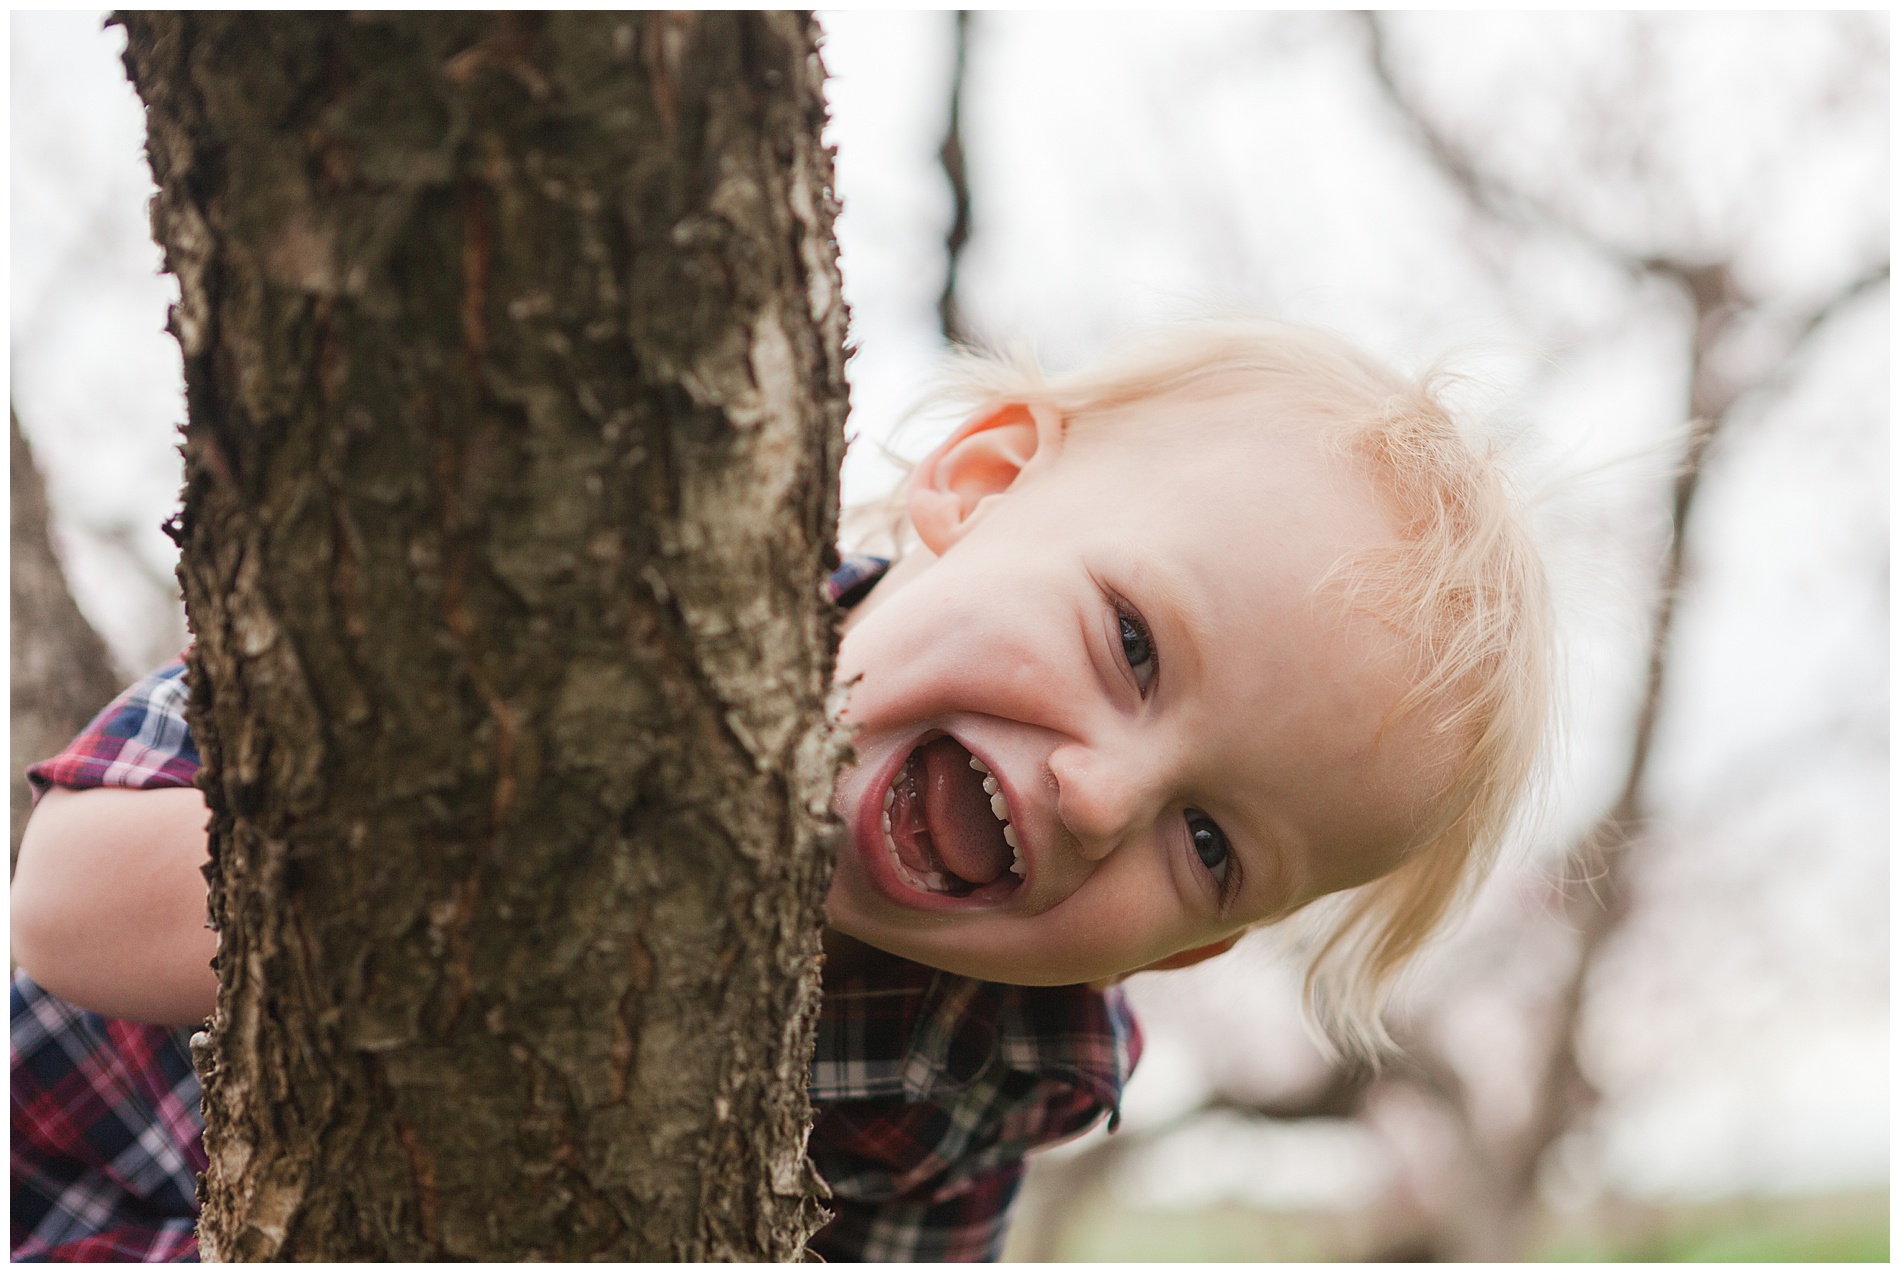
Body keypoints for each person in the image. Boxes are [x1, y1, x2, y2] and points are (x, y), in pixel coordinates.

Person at [11, 320, 1551, 1261]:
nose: (1101, 793)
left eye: (1209, 842)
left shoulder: (993, 1065)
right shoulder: (596, 611)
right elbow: (64, 911)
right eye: (1132, 642)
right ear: (983, 480)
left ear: (1185, 952)